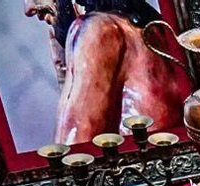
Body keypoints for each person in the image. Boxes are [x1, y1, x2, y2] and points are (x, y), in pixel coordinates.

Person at [24, 0, 190, 146]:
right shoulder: (153, 26)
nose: (28, 8)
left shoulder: (98, 30)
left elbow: (73, 160)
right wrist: (66, 74)